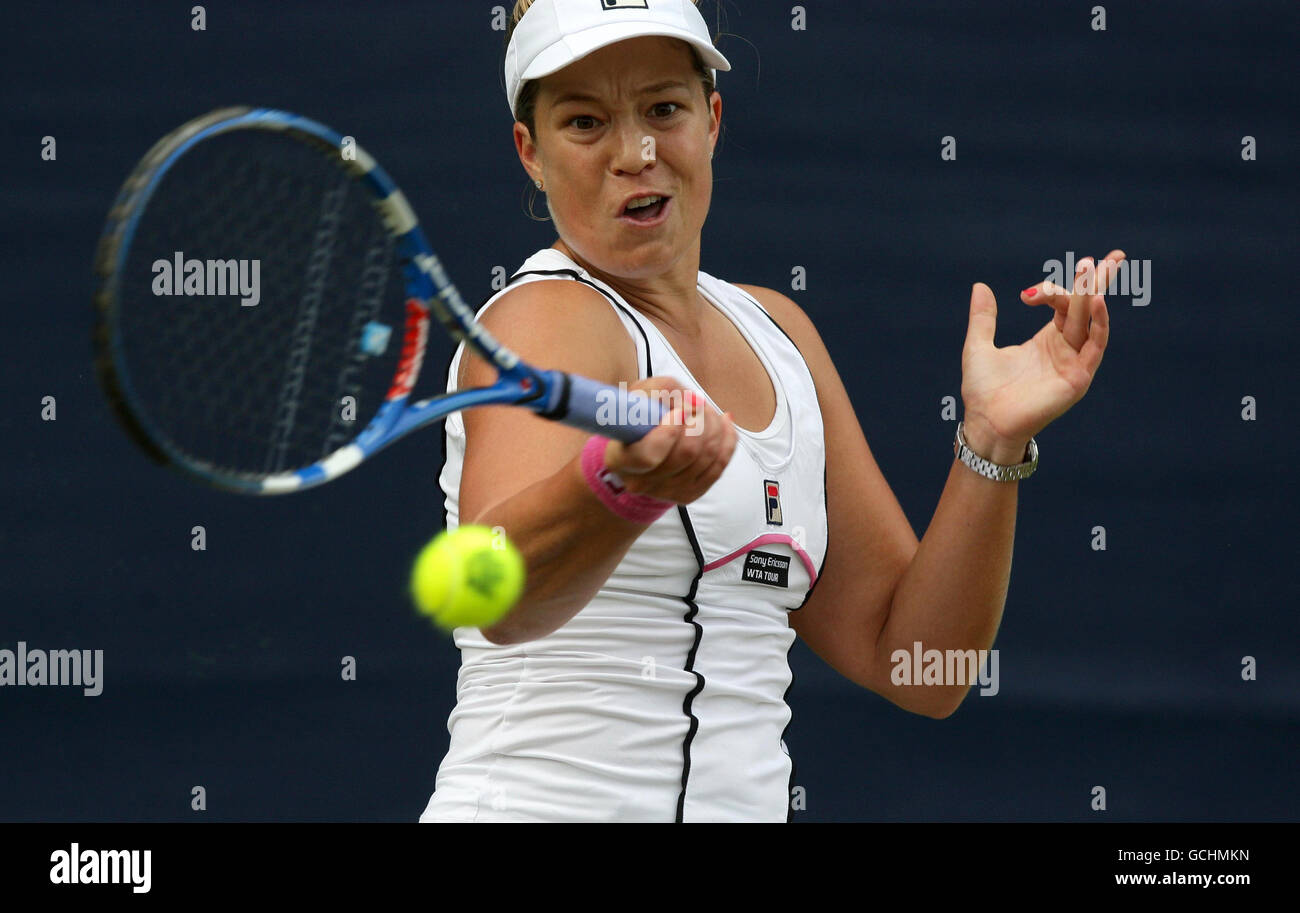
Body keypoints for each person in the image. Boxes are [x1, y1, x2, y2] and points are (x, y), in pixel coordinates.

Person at [419, 0, 1124, 822]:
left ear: (711, 120)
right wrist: (617, 486)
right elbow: (493, 601)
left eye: (663, 109)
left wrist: (993, 443)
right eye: (585, 123)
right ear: (530, 153)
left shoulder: (780, 333)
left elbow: (918, 667)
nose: (636, 152)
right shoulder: (544, 320)